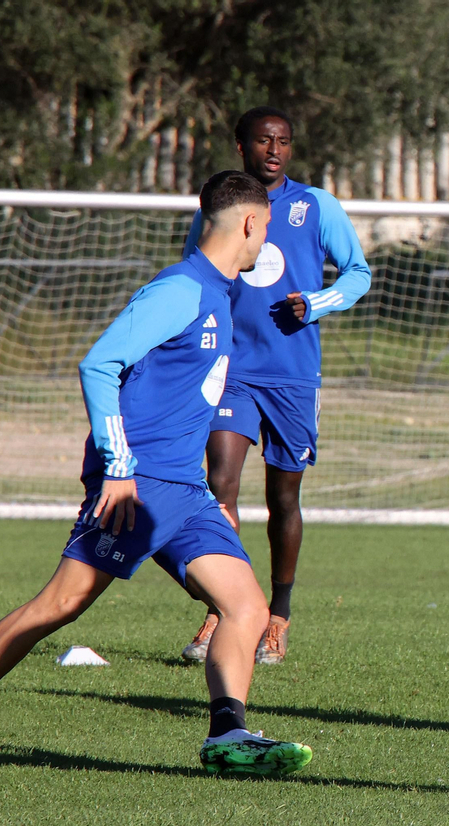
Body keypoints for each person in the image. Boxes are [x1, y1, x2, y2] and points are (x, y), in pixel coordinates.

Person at [0, 171, 313, 776]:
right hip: (139, 486)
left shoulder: (218, 292)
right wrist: (116, 467)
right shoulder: (180, 289)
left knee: (246, 607)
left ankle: (227, 735)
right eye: (266, 230)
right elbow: (99, 364)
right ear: (251, 223)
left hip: (185, 490)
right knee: (61, 603)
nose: (264, 243)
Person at [179, 106, 372, 665]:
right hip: (232, 370)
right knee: (220, 484)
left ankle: (278, 618)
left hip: (292, 377)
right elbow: (196, 274)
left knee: (283, 498)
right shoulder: (219, 208)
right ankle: (223, 608)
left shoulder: (315, 206)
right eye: (263, 140)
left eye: (283, 141)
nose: (274, 150)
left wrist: (316, 303)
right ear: (240, 146)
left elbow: (357, 272)